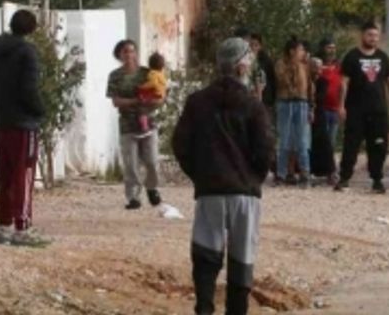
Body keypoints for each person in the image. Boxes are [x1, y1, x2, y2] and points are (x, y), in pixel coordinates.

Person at [171, 37, 273, 315]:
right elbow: (265, 150)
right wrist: (253, 178)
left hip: (210, 191)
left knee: (206, 255)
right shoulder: (253, 105)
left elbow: (180, 145)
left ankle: (204, 309)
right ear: (242, 67)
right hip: (244, 192)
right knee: (241, 260)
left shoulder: (197, 102)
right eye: (249, 61)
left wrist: (200, 175)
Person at [0, 9, 48, 248]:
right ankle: (23, 226)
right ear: (31, 29)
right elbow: (29, 89)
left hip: (3, 121)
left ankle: (4, 225)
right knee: (25, 174)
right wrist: (39, 110)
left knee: (7, 174)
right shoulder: (27, 53)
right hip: (25, 123)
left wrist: (4, 105)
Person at [336, 20, 389, 194]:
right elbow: (344, 83)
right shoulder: (352, 56)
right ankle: (344, 178)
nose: (373, 38)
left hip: (378, 110)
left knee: (379, 145)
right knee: (351, 144)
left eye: (376, 36)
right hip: (356, 109)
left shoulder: (382, 57)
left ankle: (377, 180)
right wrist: (341, 106)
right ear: (362, 35)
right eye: (370, 35)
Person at [106, 39, 164, 209]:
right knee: (130, 164)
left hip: (148, 123)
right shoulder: (115, 76)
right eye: (125, 52)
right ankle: (133, 197)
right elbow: (116, 101)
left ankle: (152, 187)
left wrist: (152, 103)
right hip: (127, 124)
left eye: (132, 51)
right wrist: (134, 101)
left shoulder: (148, 73)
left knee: (152, 161)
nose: (129, 55)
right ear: (119, 55)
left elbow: (160, 93)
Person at [269, 38, 314, 187]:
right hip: (285, 102)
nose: (303, 53)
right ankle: (281, 174)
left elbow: (310, 87)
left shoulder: (305, 66)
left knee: (302, 140)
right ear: (292, 51)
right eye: (300, 50)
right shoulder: (281, 64)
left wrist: (311, 106)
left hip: (301, 102)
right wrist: (293, 66)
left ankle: (304, 173)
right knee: (284, 140)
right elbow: (283, 81)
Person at [314, 38, 343, 186]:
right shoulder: (318, 66)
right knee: (324, 142)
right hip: (322, 109)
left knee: (331, 142)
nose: (331, 50)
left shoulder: (339, 67)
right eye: (328, 47)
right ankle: (327, 171)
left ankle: (331, 172)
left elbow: (343, 86)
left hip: (335, 109)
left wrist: (342, 106)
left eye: (333, 47)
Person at [136, 53, 169, 133]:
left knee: (142, 109)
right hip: (161, 96)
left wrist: (142, 86)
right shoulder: (162, 74)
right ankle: (152, 123)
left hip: (155, 96)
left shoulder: (152, 73)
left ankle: (144, 127)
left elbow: (152, 83)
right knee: (150, 110)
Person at [248, 33, 274, 101]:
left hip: (265, 98)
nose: (253, 47)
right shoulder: (244, 60)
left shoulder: (266, 61)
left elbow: (272, 79)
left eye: (256, 45)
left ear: (260, 46)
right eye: (251, 45)